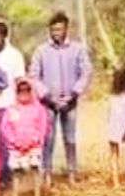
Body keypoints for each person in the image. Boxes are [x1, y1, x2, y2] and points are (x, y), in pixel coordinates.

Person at [29, 11, 93, 184]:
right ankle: (47, 174)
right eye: (53, 30)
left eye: (59, 29)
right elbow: (34, 75)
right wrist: (47, 96)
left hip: (70, 102)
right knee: (48, 139)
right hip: (48, 103)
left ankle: (72, 172)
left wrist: (74, 94)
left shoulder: (77, 49)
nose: (56, 33)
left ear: (66, 29)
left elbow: (86, 72)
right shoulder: (41, 50)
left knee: (70, 138)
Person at [0, 21, 27, 191]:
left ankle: (6, 177)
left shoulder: (14, 55)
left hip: (8, 103)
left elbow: (20, 80)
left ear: (4, 36)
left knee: (6, 142)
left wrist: (21, 104)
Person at [0, 78, 50, 196]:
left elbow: (43, 128)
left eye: (27, 90)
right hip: (16, 146)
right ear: (16, 92)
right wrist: (14, 141)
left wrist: (34, 140)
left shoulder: (39, 109)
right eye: (20, 90)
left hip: (33, 146)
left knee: (34, 168)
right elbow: (5, 128)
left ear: (31, 91)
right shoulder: (11, 109)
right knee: (17, 171)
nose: (24, 92)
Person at [107, 68, 125, 187]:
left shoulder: (112, 98)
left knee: (114, 156)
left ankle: (116, 182)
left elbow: (109, 114)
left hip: (113, 130)